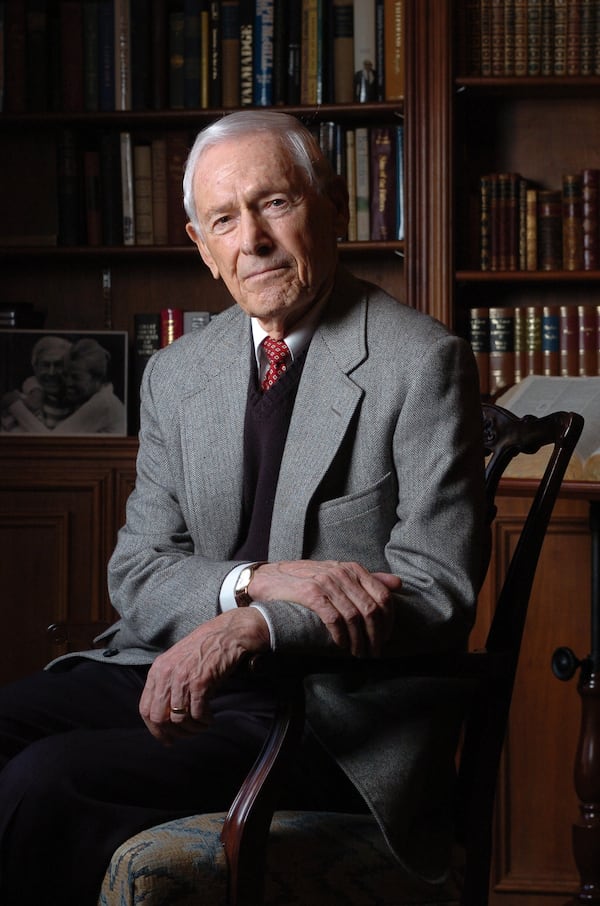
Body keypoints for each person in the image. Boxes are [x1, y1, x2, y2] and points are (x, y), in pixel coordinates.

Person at [0, 110, 486, 905]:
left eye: (276, 204)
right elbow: (138, 570)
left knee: (46, 781)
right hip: (170, 671)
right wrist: (252, 583)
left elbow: (437, 589)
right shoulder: (178, 373)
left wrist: (251, 625)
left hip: (328, 710)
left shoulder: (421, 362)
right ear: (202, 246)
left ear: (332, 205)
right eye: (225, 219)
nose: (252, 239)